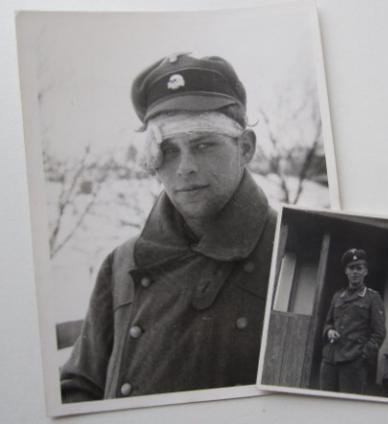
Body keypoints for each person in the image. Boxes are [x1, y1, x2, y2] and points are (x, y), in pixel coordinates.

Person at [60, 53, 277, 402]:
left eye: (204, 145)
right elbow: (78, 387)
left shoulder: (292, 252)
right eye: (168, 151)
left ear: (246, 148)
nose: (185, 167)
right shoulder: (122, 262)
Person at [319, 248, 386, 394]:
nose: (355, 272)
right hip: (329, 360)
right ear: (346, 271)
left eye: (359, 268)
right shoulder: (337, 296)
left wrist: (362, 357)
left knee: (348, 408)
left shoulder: (372, 298)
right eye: (351, 268)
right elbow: (327, 322)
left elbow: (379, 333)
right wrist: (329, 331)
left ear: (365, 272)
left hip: (353, 364)